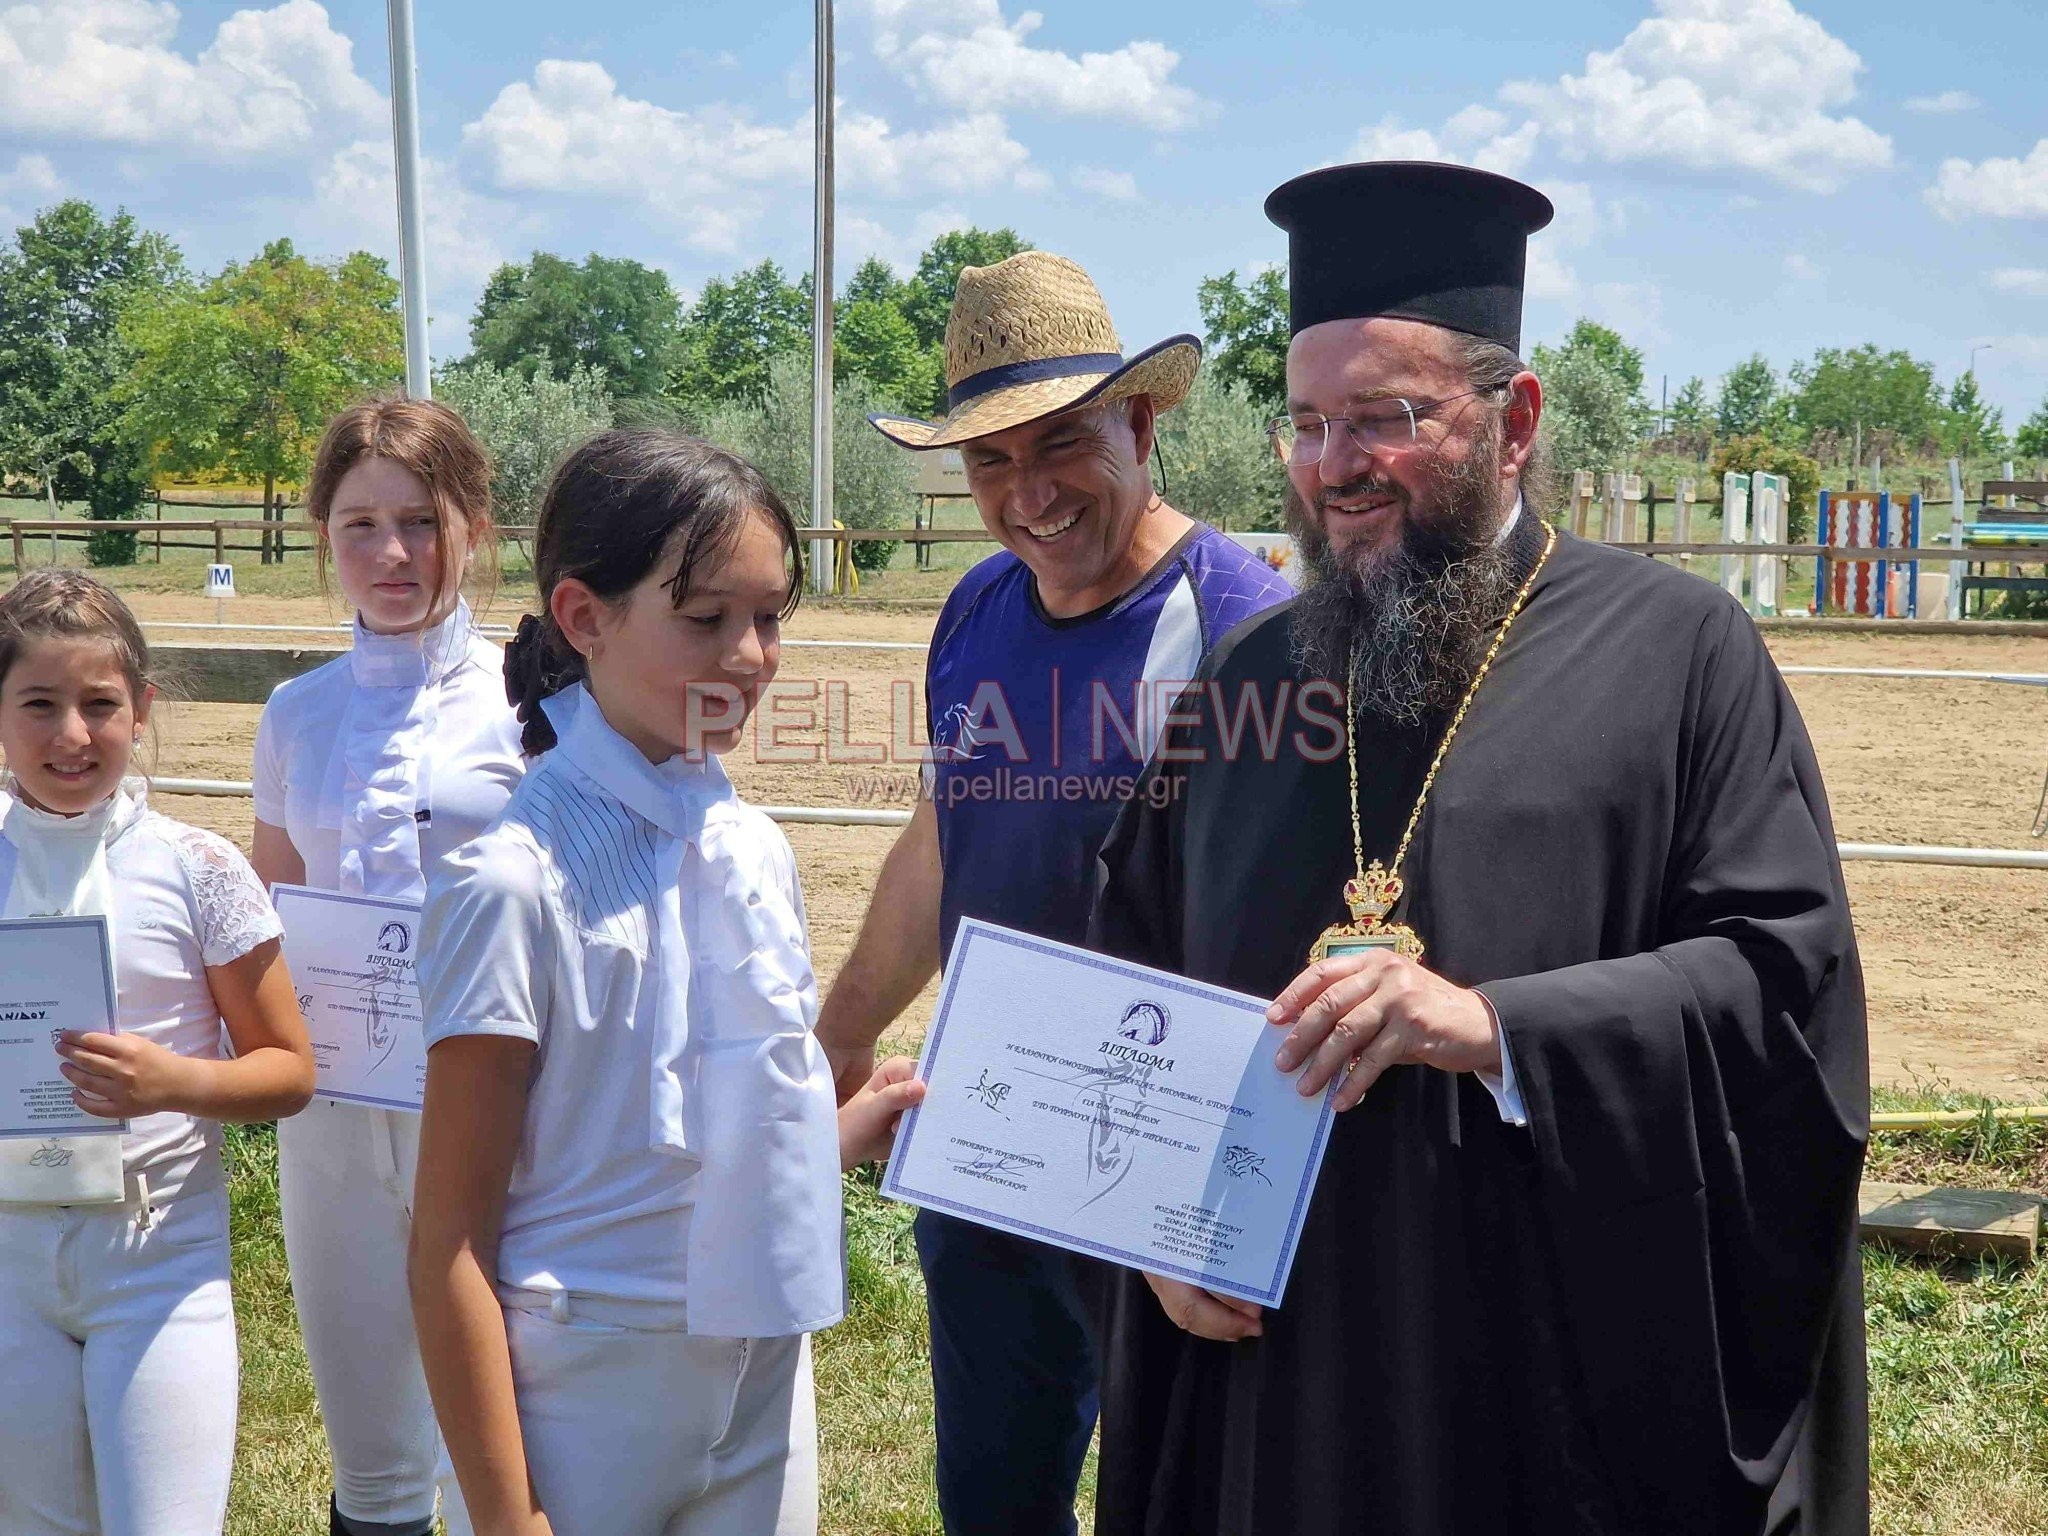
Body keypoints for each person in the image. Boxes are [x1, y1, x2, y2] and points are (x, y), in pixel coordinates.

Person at [1087, 161, 1870, 1535]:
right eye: (1309, 426)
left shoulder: (1681, 658)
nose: (1335, 470)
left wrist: (1494, 1027)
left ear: (1513, 419)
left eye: (1384, 420)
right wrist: (1148, 1227)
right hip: (1287, 1377)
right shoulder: (1248, 681)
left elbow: (1780, 983)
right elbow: (1126, 978)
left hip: (1546, 1377)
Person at [818, 250, 1294, 1535]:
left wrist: (1195, 1208)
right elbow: (943, 833)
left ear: (1140, 424)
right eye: (987, 461)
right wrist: (844, 1027)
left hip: (1163, 1155)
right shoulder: (977, 607)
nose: (1026, 494)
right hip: (992, 1130)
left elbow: (1274, 937)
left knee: (1183, 1493)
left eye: (1061, 443)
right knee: (992, 1495)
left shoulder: (1248, 630)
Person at [407, 429, 925, 1536]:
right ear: (585, 616)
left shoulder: (752, 850)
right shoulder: (512, 882)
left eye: (770, 615)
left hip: (763, 1388)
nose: (748, 654)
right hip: (583, 1398)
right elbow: (448, 1237)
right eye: (705, 619)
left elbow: (680, 1147)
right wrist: (508, 1516)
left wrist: (836, 1133)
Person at [252, 396, 524, 1536]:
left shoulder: (535, 697)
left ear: (472, 524)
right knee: (368, 1447)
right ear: (325, 534)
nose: (393, 553)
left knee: (493, 1442)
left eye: (420, 519)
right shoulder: (295, 712)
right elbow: (269, 907)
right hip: (334, 1114)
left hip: (491, 1095)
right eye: (360, 525)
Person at [0, 570, 316, 1535]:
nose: (71, 736)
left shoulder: (195, 867)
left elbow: (289, 1070)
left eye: (99, 705)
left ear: (141, 710)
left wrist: (175, 1081)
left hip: (158, 1262)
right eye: (38, 705)